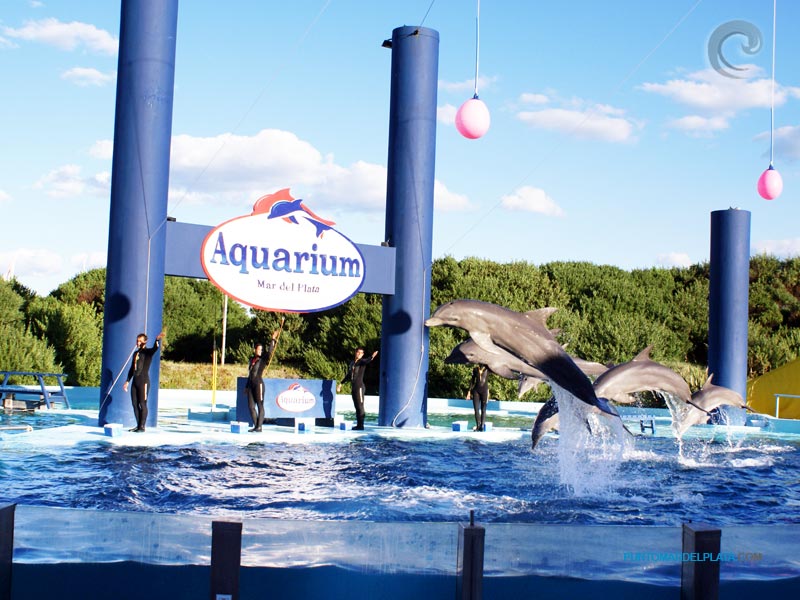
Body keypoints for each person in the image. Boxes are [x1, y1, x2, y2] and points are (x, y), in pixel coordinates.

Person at [122, 331, 166, 432]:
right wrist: (127, 381)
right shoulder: (135, 353)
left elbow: (155, 348)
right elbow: (132, 369)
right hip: (135, 382)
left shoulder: (147, 353)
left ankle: (142, 426)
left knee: (142, 403)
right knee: (134, 403)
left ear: (145, 342)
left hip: (143, 381)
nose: (137, 343)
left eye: (140, 341)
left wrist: (157, 339)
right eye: (137, 341)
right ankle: (138, 425)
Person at [246, 329, 281, 432]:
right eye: (258, 349)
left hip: (259, 384)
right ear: (255, 350)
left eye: (261, 349)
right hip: (251, 386)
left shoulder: (263, 359)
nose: (260, 351)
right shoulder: (251, 359)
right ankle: (256, 425)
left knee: (260, 405)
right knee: (251, 406)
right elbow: (250, 374)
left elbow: (270, 351)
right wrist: (246, 387)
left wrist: (273, 339)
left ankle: (259, 426)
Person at [337, 347, 378, 430]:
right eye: (358, 352)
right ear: (355, 352)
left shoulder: (361, 362)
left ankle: (361, 425)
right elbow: (349, 375)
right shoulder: (352, 363)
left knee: (360, 406)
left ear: (362, 354)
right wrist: (341, 383)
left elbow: (367, 360)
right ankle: (358, 424)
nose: (359, 354)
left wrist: (372, 356)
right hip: (354, 387)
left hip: (359, 387)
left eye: (361, 353)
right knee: (356, 406)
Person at [467, 364, 490, 432]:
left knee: (483, 409)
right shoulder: (475, 369)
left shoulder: (488, 369)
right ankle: (478, 425)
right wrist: (469, 391)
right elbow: (472, 381)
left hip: (484, 391)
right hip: (476, 391)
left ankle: (482, 426)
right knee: (476, 409)